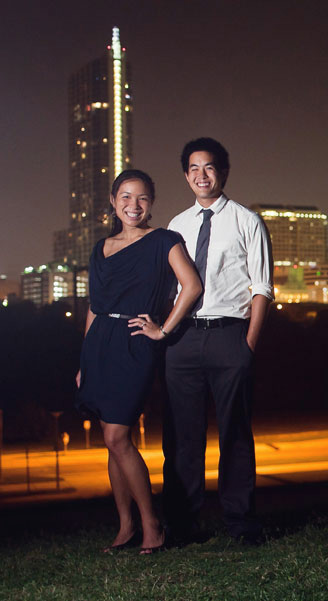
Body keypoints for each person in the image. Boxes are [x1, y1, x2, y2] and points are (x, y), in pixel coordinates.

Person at [76, 169, 202, 554]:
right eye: (126, 197)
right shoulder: (101, 248)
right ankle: (125, 527)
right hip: (99, 345)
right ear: (113, 203)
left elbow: (192, 286)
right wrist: (84, 360)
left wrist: (162, 330)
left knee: (117, 436)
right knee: (113, 441)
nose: (134, 205)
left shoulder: (164, 240)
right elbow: (95, 308)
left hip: (134, 344)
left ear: (151, 203)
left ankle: (152, 525)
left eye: (143, 198)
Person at [163, 137, 273, 545]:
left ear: (223, 172)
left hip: (230, 336)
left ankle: (241, 523)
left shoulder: (247, 221)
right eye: (193, 169)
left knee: (235, 434)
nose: (201, 175)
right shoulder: (177, 225)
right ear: (186, 175)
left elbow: (262, 288)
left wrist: (248, 346)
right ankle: (183, 525)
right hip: (183, 340)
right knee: (182, 437)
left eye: (208, 167)